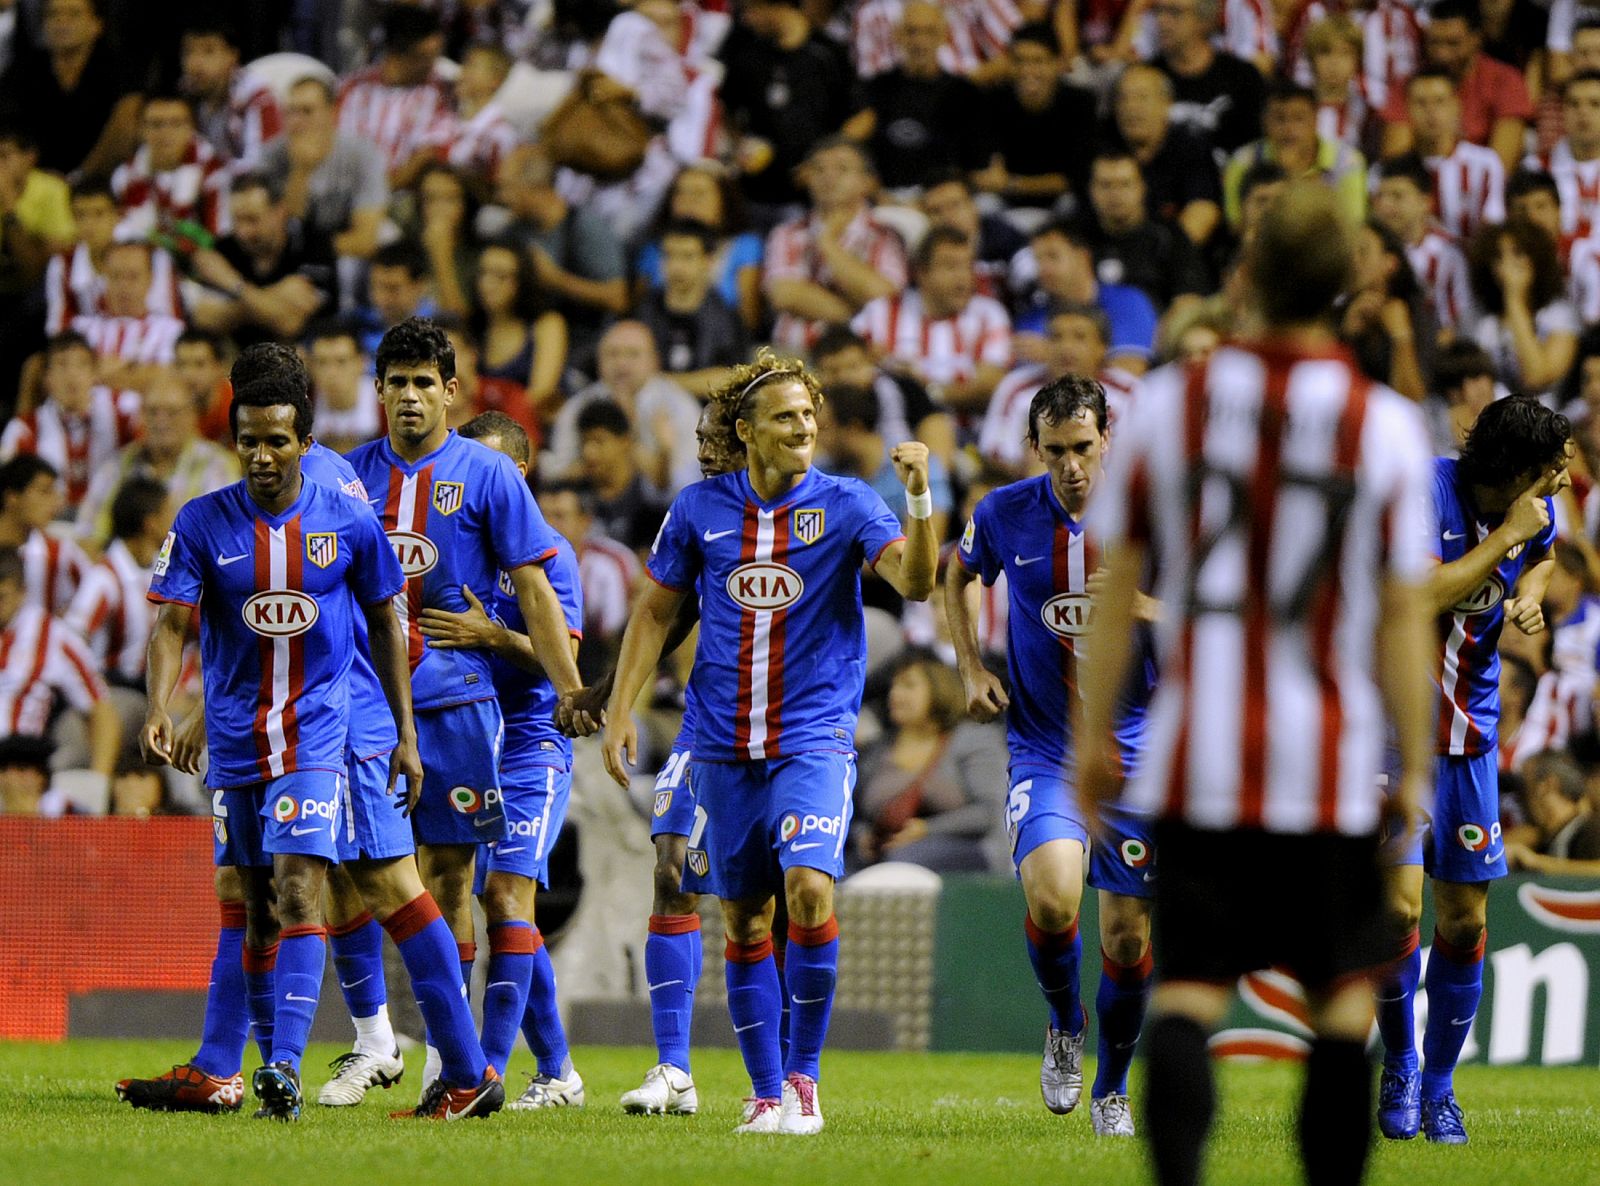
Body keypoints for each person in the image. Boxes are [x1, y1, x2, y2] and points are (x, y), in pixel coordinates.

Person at [1079, 184, 1436, 1186]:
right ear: (1348, 290)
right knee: (1340, 1003)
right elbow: (1404, 614)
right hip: (1327, 761)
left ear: (1243, 277)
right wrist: (1412, 761)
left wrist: (1092, 739)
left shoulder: (1167, 408)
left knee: (1188, 989)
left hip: (1200, 757)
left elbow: (1113, 594)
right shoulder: (1385, 426)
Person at [128, 362, 504, 1122]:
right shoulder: (206, 518)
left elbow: (386, 624)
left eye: (276, 439)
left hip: (335, 729)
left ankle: (308, 1068)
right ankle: (226, 1066)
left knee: (337, 886)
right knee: (255, 896)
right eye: (247, 440)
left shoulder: (342, 508)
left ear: (303, 435)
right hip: (243, 736)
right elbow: (178, 623)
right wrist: (170, 705)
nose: (262, 455)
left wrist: (402, 731)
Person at [600, 350, 938, 1134]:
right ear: (746, 431)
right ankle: (762, 1095)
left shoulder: (851, 504)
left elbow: (917, 584)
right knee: (746, 920)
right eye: (786, 417)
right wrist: (620, 709)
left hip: (813, 740)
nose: (804, 428)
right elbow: (655, 612)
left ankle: (804, 1081)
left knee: (810, 892)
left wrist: (919, 499)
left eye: (810, 416)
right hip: (721, 744)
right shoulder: (699, 510)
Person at [346, 317, 589, 1095]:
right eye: (399, 381)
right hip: (386, 712)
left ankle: (461, 1066)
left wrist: (558, 676)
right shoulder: (350, 478)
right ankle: (383, 1041)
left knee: (474, 886)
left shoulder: (505, 502)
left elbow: (549, 617)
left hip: (491, 719)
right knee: (360, 877)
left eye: (426, 382)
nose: (411, 396)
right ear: (379, 390)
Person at [947, 375, 1160, 1138]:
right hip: (1045, 747)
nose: (1072, 465)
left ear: (1109, 439)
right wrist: (971, 666)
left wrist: (1143, 607)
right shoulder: (1005, 513)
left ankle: (1113, 1087)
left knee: (1128, 937)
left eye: (1084, 447)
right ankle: (1066, 1023)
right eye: (1056, 450)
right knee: (1053, 899)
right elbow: (960, 573)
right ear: (1035, 446)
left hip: (1137, 751)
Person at [1374, 395, 1571, 1146]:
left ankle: (1439, 1089)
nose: (1558, 484)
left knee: (1465, 918)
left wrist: (1529, 589)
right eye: (1549, 470)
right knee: (1396, 911)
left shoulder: (1535, 513)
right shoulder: (1421, 492)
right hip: (1391, 732)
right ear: (1513, 470)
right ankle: (1399, 1060)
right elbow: (1417, 593)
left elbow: (1546, 551)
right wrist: (1508, 543)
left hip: (1470, 738)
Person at [418, 411, 587, 1110]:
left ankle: (481, 1073)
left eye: (485, 468)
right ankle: (558, 1072)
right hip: (467, 734)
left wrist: (493, 634)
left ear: (516, 474)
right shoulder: (452, 551)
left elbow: (566, 660)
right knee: (470, 894)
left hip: (532, 737)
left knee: (505, 897)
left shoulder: (548, 555)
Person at [853, 653, 1007, 872]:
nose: (895, 694)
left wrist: (926, 829)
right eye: (894, 686)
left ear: (939, 689)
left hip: (965, 849)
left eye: (908, 685)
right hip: (880, 855)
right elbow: (854, 814)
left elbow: (989, 811)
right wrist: (862, 837)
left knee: (902, 863)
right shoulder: (878, 748)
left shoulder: (974, 740)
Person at [764, 137, 908, 353]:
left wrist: (827, 242)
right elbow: (785, 294)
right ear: (807, 178)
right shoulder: (786, 233)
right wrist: (858, 316)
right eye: (819, 169)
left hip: (863, 363)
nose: (829, 177)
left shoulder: (885, 236)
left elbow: (884, 295)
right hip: (797, 357)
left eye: (842, 169)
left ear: (867, 182)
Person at [851, 227, 1012, 418]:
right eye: (950, 267)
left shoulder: (989, 314)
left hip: (965, 440)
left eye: (968, 266)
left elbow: (989, 387)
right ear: (922, 273)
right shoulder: (880, 312)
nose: (963, 277)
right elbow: (845, 365)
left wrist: (923, 389)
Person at [718, 0, 860, 211]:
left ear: (779, 6)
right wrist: (740, 144)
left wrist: (822, 162)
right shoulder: (747, 53)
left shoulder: (828, 52)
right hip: (756, 191)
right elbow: (726, 107)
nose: (746, 19)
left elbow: (862, 117)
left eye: (752, 9)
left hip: (812, 195)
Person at [496, 145, 629, 369]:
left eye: (508, 188)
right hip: (530, 338)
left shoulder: (584, 227)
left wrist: (556, 280)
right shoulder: (515, 230)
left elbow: (617, 297)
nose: (501, 197)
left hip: (583, 342)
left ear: (537, 189)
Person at [77, 371, 237, 547]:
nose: (161, 421)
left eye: (172, 412)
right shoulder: (116, 466)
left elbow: (220, 544)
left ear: (192, 415)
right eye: (152, 411)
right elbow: (87, 536)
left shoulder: (217, 466)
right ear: (140, 416)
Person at [547, 321, 703, 499]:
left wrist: (654, 452)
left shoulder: (679, 406)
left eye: (633, 354)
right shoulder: (578, 407)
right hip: (593, 510)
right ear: (598, 360)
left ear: (655, 360)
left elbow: (688, 489)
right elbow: (556, 478)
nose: (621, 364)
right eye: (613, 354)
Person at [980, 304, 1139, 477]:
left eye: (1079, 338)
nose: (1066, 347)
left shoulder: (1129, 392)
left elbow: (1138, 461)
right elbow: (994, 454)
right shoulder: (1016, 388)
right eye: (1056, 337)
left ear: (1103, 348)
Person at [1380, 0, 1534, 173]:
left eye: (1452, 43)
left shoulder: (1505, 80)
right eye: (1434, 42)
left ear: (1476, 39)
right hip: (1420, 189)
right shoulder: (1409, 84)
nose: (1442, 54)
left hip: (1480, 188)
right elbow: (1396, 163)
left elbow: (1501, 166)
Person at [187, 172, 335, 348]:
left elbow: (290, 323)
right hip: (240, 358)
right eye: (237, 220)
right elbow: (205, 319)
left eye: (252, 219)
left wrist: (234, 285)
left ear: (279, 212)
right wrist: (274, 299)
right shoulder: (223, 249)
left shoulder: (313, 243)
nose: (242, 232)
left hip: (302, 357)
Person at [0, 0, 142, 183]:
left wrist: (80, 177)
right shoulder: (25, 70)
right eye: (53, 15)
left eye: (73, 14)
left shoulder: (117, 68)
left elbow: (126, 125)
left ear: (97, 25)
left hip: (102, 180)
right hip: (34, 181)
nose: (61, 21)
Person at [847, 1, 982, 192]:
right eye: (911, 31)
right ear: (897, 36)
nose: (919, 41)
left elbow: (973, 163)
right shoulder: (876, 88)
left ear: (943, 36)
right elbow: (854, 136)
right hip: (885, 195)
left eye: (929, 32)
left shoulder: (964, 92)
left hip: (943, 197)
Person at [257, 76, 388, 262]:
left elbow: (365, 239)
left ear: (332, 112)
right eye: (290, 112)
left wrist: (307, 247)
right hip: (289, 259)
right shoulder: (270, 157)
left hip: (343, 255)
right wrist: (301, 171)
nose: (296, 121)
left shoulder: (363, 155)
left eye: (307, 111)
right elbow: (275, 235)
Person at [2, 330, 139, 507]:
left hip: (107, 520)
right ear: (47, 378)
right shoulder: (24, 428)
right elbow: (7, 490)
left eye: (81, 365)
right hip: (48, 524)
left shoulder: (124, 412)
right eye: (62, 365)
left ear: (94, 374)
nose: (71, 375)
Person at [972, 22, 1096, 209]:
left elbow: (1079, 177)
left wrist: (1014, 184)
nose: (1028, 70)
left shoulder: (1081, 103)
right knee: (982, 204)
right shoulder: (992, 101)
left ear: (1057, 63)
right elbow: (981, 172)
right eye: (1020, 61)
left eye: (1038, 61)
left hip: (1060, 204)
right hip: (1007, 204)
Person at [1014, 221, 1158, 375]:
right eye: (1038, 260)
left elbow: (1131, 370)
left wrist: (1056, 357)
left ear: (1083, 257)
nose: (1044, 269)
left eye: (1053, 257)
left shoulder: (1128, 303)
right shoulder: (1031, 319)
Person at [1103, 64, 1224, 248]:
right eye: (1123, 99)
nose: (1131, 107)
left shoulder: (1190, 148)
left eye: (1142, 97)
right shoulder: (1104, 149)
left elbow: (1203, 213)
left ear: (1166, 104)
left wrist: (1165, 258)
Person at [1222, 79, 1367, 231]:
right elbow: (1235, 224)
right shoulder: (1243, 161)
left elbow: (1353, 227)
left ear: (1315, 120)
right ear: (1264, 121)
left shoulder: (1346, 162)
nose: (1289, 129)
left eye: (1299, 118)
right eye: (1279, 119)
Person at [336, 3, 454, 188]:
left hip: (402, 192)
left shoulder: (441, 92)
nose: (433, 65)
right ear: (397, 55)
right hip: (343, 187)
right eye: (426, 57)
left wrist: (378, 193)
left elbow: (429, 153)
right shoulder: (350, 88)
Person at [1075, 151, 1211, 312]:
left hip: (1157, 332)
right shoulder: (1075, 239)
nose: (1115, 194)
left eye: (1125, 184)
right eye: (1106, 185)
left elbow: (1189, 299)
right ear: (1091, 190)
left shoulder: (1169, 237)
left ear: (1142, 187)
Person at [635, 164, 764, 331]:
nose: (688, 201)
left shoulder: (745, 245)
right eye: (680, 192)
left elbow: (749, 320)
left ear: (724, 201)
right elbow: (638, 313)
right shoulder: (654, 246)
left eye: (699, 193)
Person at [45, 179, 181, 336]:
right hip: (96, 350)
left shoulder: (152, 256)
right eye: (80, 215)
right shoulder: (62, 264)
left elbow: (169, 322)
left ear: (117, 215)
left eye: (99, 214)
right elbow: (59, 330)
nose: (89, 225)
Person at [822, 383, 953, 542]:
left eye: (824, 428)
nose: (817, 438)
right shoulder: (823, 474)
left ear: (854, 428)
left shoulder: (918, 468)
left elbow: (926, 544)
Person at [634, 219, 749, 398]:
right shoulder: (641, 311)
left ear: (708, 261)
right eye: (668, 255)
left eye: (687, 256)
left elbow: (731, 379)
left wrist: (659, 382)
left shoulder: (726, 318)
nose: (676, 266)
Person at [1467, 220, 1579, 399]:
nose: (1507, 265)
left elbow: (1536, 377)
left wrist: (1514, 298)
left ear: (1537, 259)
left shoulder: (1559, 315)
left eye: (1518, 253)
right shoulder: (1484, 325)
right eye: (1498, 257)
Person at [1371, 154, 1475, 333]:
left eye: (1397, 196)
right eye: (1380, 196)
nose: (1385, 206)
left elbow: (1457, 323)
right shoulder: (1365, 249)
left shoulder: (1449, 253)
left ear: (1425, 202)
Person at [469, 239, 566, 431]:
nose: (488, 283)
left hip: (531, 430)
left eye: (501, 276)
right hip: (478, 432)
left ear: (523, 281)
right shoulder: (472, 329)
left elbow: (540, 394)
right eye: (483, 273)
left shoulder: (546, 324)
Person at [111, 91, 233, 241]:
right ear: (141, 130)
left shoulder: (213, 172)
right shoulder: (124, 176)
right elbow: (125, 233)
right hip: (144, 254)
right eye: (156, 124)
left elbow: (219, 238)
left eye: (176, 124)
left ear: (191, 128)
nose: (166, 133)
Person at [1150, 0, 1267, 156]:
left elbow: (1256, 146)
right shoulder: (1147, 77)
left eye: (1174, 12)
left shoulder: (1242, 77)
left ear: (1204, 20)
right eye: (1158, 11)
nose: (1162, 20)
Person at [1404, 70, 1507, 241]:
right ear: (1407, 109)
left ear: (1457, 106)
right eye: (1421, 103)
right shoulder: (1389, 172)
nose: (1431, 111)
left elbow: (1492, 230)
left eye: (1440, 101)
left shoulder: (1485, 165)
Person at [69, 240, 185, 392]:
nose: (124, 286)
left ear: (150, 280)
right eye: (116, 276)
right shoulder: (80, 328)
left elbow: (166, 376)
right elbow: (68, 378)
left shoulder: (171, 329)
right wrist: (132, 366)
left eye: (133, 277)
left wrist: (96, 370)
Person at [1340, 219, 1433, 401]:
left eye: (1363, 252)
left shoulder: (1418, 312)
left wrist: (1401, 338)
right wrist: (1346, 335)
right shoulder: (1337, 312)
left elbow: (1415, 400)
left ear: (1390, 263)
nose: (1354, 261)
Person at [178, 19, 281, 165]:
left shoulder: (257, 95)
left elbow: (262, 164)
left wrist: (213, 175)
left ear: (232, 56)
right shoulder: (183, 94)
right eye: (188, 52)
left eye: (208, 51)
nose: (195, 63)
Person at [573, 400, 671, 552]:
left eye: (599, 441)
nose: (589, 452)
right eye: (584, 442)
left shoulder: (648, 500)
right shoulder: (576, 497)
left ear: (625, 441)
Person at [0, 454, 87, 614]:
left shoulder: (61, 554)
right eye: (45, 491)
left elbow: (91, 598)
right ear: (12, 497)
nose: (57, 502)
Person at [1524, 72, 1600, 241]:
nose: (1583, 112)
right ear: (1562, 111)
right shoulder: (1535, 169)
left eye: (1595, 104)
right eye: (1574, 104)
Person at [1507, 751, 1600, 872]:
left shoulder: (1590, 828)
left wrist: (1536, 862)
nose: (1523, 798)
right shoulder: (1545, 839)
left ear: (1549, 785)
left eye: (1528, 786)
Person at [306, 322, 379, 454]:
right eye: (322, 362)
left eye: (341, 361)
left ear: (362, 363)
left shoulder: (384, 404)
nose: (331, 373)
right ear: (311, 366)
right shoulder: (303, 404)